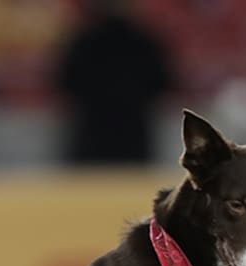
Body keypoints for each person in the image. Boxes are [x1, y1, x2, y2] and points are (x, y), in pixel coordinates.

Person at [53, 0, 174, 166]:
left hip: (93, 132)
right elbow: (163, 83)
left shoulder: (85, 40)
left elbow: (65, 82)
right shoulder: (144, 40)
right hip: (132, 132)